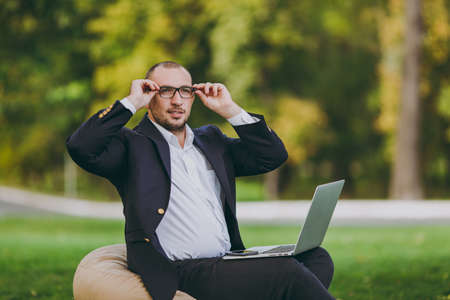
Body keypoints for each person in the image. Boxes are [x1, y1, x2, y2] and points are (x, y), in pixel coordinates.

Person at [66, 61, 335, 300]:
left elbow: (272, 156)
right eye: (165, 91)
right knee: (284, 272)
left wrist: (230, 110)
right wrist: (131, 103)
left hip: (227, 261)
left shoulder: (212, 141)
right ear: (150, 96)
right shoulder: (132, 146)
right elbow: (82, 147)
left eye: (184, 91)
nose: (177, 101)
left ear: (193, 96)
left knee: (316, 258)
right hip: (181, 271)